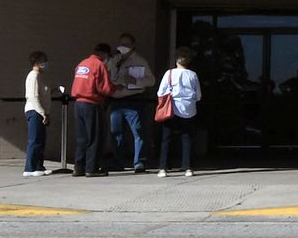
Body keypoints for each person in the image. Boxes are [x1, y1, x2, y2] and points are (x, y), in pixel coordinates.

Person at [106, 33, 156, 172]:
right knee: (116, 132)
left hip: (133, 100)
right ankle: (117, 161)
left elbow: (151, 80)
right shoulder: (115, 60)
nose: (123, 47)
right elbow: (107, 74)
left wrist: (135, 81)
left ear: (133, 45)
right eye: (121, 44)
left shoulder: (140, 61)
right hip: (116, 101)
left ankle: (139, 162)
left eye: (127, 44)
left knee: (138, 132)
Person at [68, 43, 114, 177]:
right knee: (95, 137)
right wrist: (115, 88)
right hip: (92, 104)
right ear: (105, 54)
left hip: (78, 103)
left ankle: (78, 167)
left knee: (82, 137)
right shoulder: (99, 65)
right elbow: (104, 88)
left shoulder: (82, 64)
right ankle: (91, 168)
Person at [156, 49, 202, 178]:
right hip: (189, 109)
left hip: (172, 108)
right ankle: (188, 167)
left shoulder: (169, 73)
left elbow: (161, 92)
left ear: (176, 60)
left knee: (167, 138)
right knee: (187, 138)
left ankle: (163, 168)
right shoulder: (193, 75)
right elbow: (198, 95)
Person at [23, 51, 52, 176]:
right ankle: (30, 168)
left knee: (41, 140)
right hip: (35, 111)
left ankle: (39, 166)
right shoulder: (33, 75)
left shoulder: (40, 76)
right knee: (34, 140)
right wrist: (42, 113)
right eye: (43, 61)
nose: (45, 63)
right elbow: (34, 96)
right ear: (37, 62)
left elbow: (43, 93)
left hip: (40, 111)